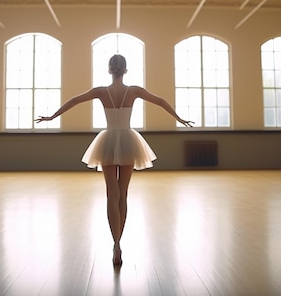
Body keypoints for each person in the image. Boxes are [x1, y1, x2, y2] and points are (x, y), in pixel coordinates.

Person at [35, 54, 193, 266]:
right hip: (128, 139)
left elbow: (74, 100)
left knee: (112, 193)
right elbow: (160, 101)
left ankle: (116, 244)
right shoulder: (134, 91)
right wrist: (179, 118)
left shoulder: (101, 91)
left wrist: (52, 117)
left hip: (108, 140)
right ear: (125, 70)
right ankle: (119, 241)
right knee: (123, 194)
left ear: (109, 70)